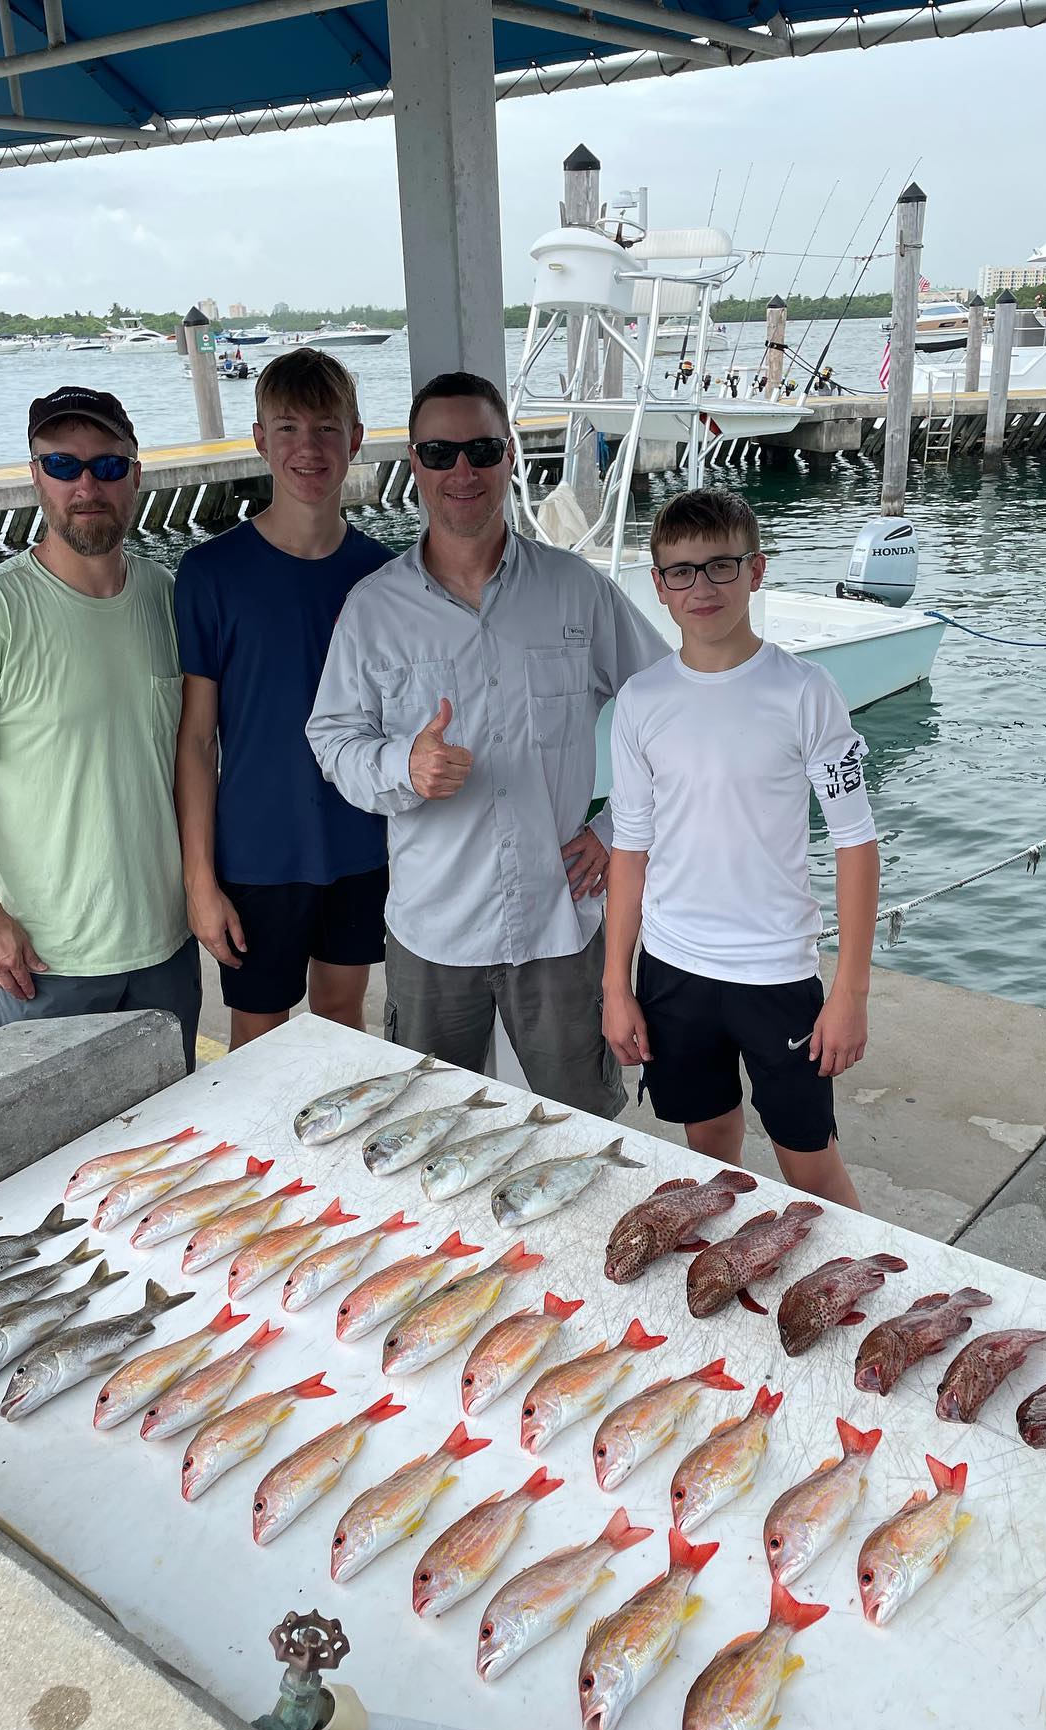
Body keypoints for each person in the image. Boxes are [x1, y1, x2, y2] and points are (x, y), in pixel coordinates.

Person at [307, 369, 668, 1118]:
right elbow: (332, 738)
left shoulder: (576, 589)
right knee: (425, 1127)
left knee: (584, 1125)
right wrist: (400, 764)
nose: (461, 471)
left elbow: (670, 716)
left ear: (510, 458)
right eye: (439, 452)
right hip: (432, 927)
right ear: (414, 464)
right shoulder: (373, 609)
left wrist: (614, 830)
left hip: (559, 921)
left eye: (481, 449)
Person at [0, 386, 200, 1068]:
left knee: (167, 1143)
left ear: (136, 472)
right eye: (63, 466)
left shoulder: (166, 597)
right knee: (53, 1157)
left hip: (167, 943)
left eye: (109, 465)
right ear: (35, 474)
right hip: (46, 959)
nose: (87, 485)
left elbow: (187, 755)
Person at [601, 488, 879, 1209]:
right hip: (672, 969)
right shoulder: (639, 701)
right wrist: (616, 985)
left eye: (722, 566)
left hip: (776, 972)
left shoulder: (806, 691)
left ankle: (865, 1292)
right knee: (710, 1143)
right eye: (682, 572)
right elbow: (629, 850)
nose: (703, 587)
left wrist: (849, 990)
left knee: (810, 1162)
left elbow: (855, 842)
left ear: (756, 571)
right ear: (657, 586)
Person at [174, 348, 393, 1049]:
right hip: (256, 854)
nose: (309, 448)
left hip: (360, 844)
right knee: (257, 1036)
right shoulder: (210, 573)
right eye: (289, 428)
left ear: (355, 440)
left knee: (341, 1023)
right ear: (261, 439)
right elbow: (197, 741)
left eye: (328, 428)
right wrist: (200, 881)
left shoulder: (383, 577)